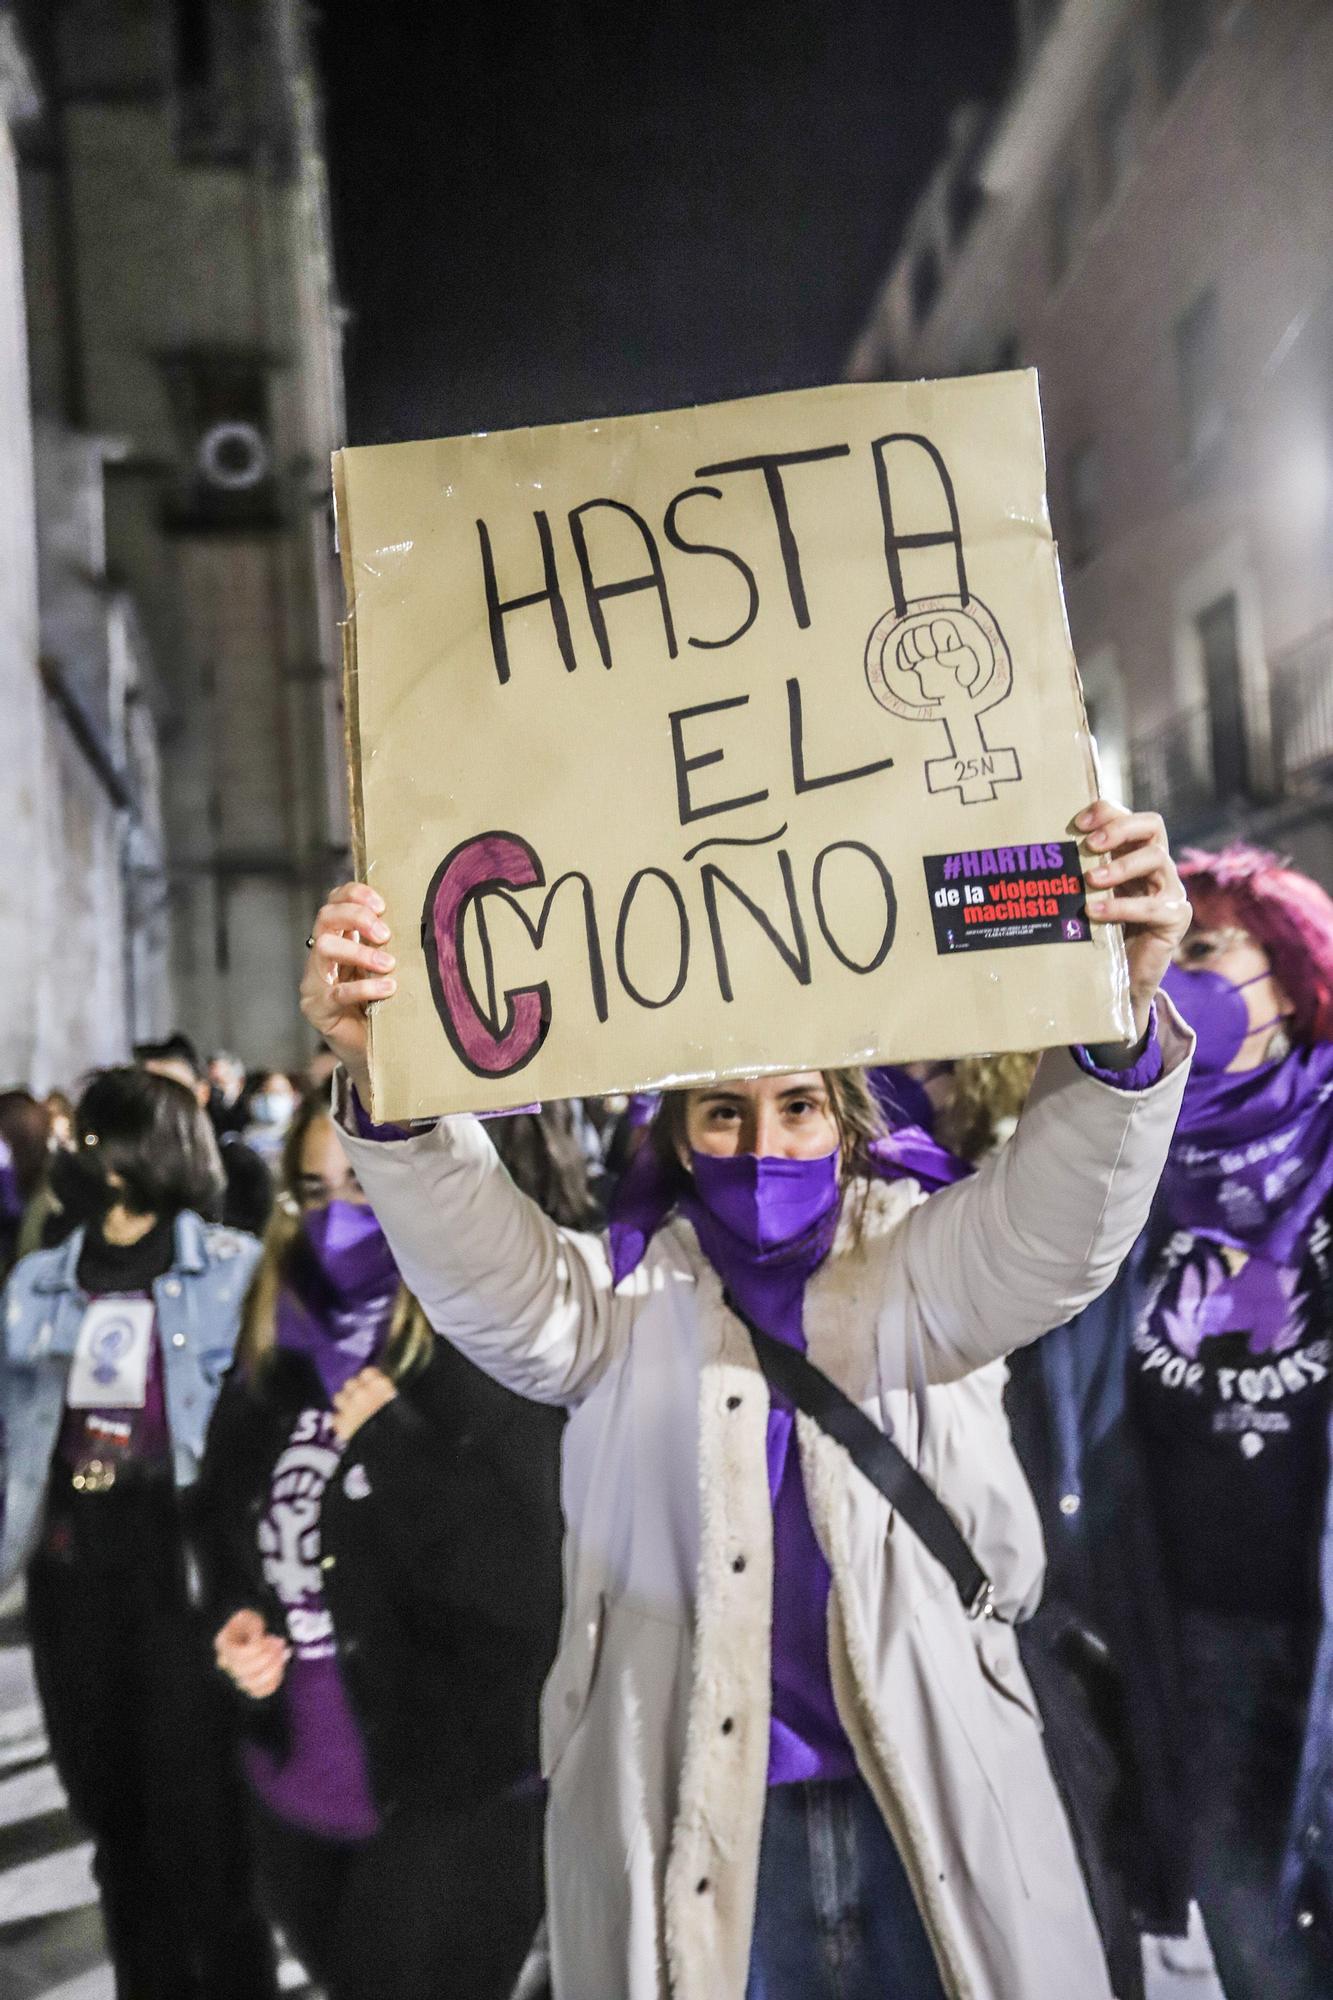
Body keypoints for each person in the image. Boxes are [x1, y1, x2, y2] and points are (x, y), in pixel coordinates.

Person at [299, 800, 1193, 2000]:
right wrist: (391, 1085)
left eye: (797, 1106)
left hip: (920, 1806)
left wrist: (1117, 1017)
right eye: (723, 1110)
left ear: (847, 1119)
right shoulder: (620, 1303)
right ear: (676, 1129)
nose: (760, 1142)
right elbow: (485, 1276)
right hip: (702, 1827)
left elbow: (1061, 1226)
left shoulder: (922, 1266)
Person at [1010, 843, 1333, 2000]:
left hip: (1321, 1621)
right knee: (1251, 1939)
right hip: (1184, 1637)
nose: (1181, 974)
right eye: (1169, 954)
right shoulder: (1122, 1155)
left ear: (1290, 979)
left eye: (1207, 950)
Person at [195, 1091, 566, 2000]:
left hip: (453, 1796)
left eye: (362, 1191)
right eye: (313, 1194)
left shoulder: (496, 1349)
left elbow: (529, 1590)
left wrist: (396, 1451)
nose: (334, 1222)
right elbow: (220, 1519)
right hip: (296, 1784)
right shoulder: (273, 1347)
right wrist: (238, 1621)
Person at [0, 1067, 277, 2000]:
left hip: (184, 1570)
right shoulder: (42, 1277)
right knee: (115, 1827)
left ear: (141, 1149)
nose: (70, 1149)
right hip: (76, 1571)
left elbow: (258, 1428)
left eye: (90, 1135)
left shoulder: (232, 1268)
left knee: (206, 1836)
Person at [137, 1034, 274, 1235]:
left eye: (172, 1089)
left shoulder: (242, 1168)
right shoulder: (127, 1168)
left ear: (201, 1092)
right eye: (145, 1090)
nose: (159, 1103)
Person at [240, 1070, 301, 1164]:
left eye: (279, 1093)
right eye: (264, 1092)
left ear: (294, 1099)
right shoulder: (244, 1139)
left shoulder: (300, 1135)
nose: (270, 1098)